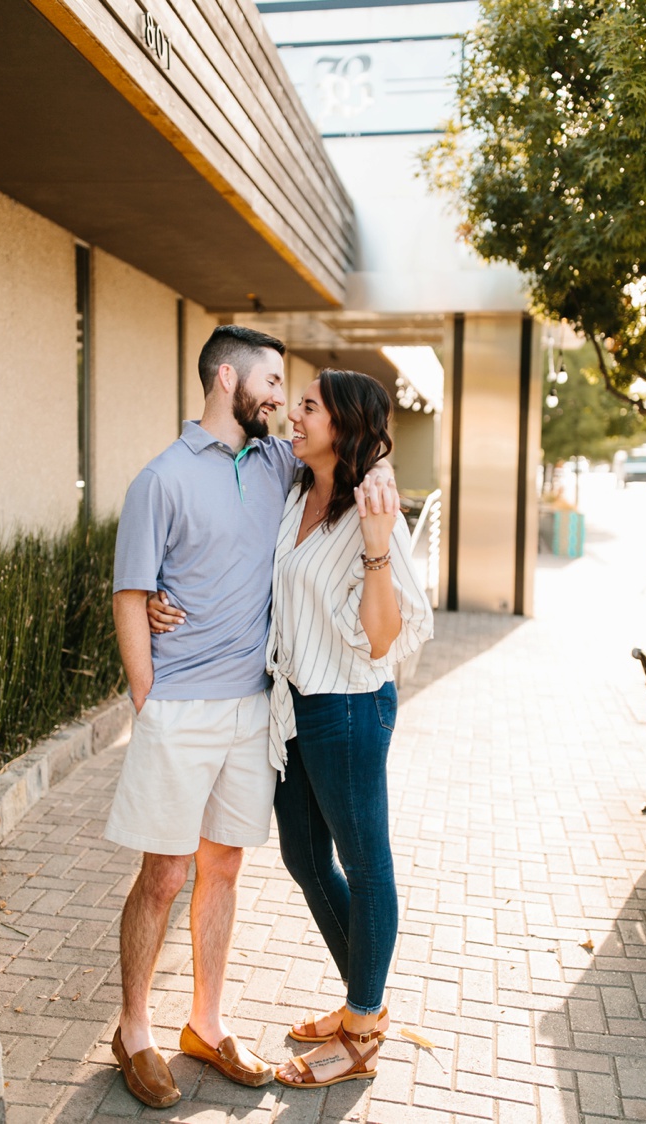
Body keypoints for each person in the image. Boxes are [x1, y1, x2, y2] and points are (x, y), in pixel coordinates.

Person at [109, 327, 394, 1108]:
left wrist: (380, 473)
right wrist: (148, 697)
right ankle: (134, 1029)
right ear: (228, 378)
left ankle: (206, 1023)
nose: (281, 401)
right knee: (165, 875)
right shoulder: (159, 480)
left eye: (293, 395)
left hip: (256, 709)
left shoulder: (278, 464)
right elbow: (130, 595)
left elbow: (355, 458)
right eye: (273, 383)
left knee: (225, 868)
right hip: (180, 707)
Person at [263, 370, 432, 1089]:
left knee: (366, 865)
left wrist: (375, 543)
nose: (294, 416)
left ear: (344, 425)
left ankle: (362, 1032)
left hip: (350, 708)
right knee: (305, 858)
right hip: (294, 703)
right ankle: (363, 1003)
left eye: (309, 406)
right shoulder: (296, 489)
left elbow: (384, 636)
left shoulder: (374, 508)